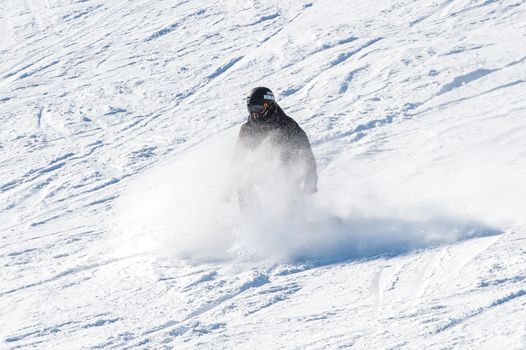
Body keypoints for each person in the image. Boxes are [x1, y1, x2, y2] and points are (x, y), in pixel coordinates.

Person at [232, 87, 318, 212]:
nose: (253, 113)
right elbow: (237, 158)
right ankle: (251, 216)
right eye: (250, 108)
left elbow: (307, 154)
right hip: (267, 172)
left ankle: (296, 216)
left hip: (290, 174)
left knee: (287, 190)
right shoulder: (248, 130)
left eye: (257, 108)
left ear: (268, 105)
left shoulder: (287, 125)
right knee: (243, 173)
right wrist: (226, 186)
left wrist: (311, 182)